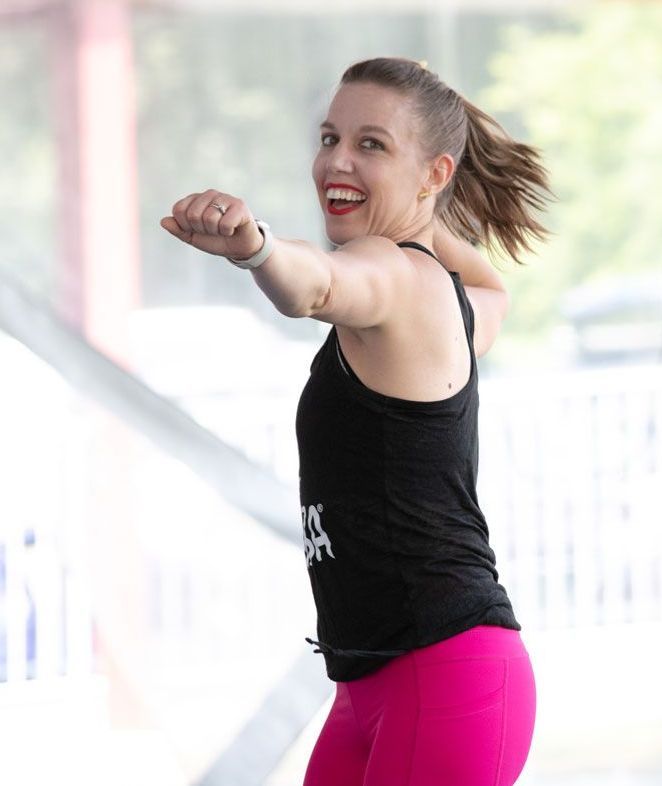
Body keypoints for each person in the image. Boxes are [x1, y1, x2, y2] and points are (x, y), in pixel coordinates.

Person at [161, 55, 553, 786]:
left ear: (435, 173)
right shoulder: (445, 301)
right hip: (373, 686)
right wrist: (420, 210)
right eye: (329, 137)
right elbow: (491, 288)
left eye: (371, 144)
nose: (335, 160)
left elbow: (319, 284)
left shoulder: (395, 278)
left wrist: (257, 248)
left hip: (443, 675)